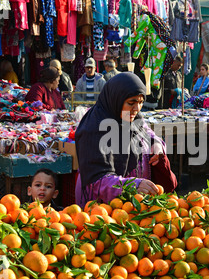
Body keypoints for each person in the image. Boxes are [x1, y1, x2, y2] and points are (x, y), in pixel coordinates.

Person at [74, 72, 177, 207]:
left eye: (140, 102)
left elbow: (148, 133)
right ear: (116, 99)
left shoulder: (134, 118)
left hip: (135, 204)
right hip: (102, 210)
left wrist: (156, 144)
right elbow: (97, 180)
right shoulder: (93, 129)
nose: (137, 108)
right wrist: (132, 185)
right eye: (131, 103)